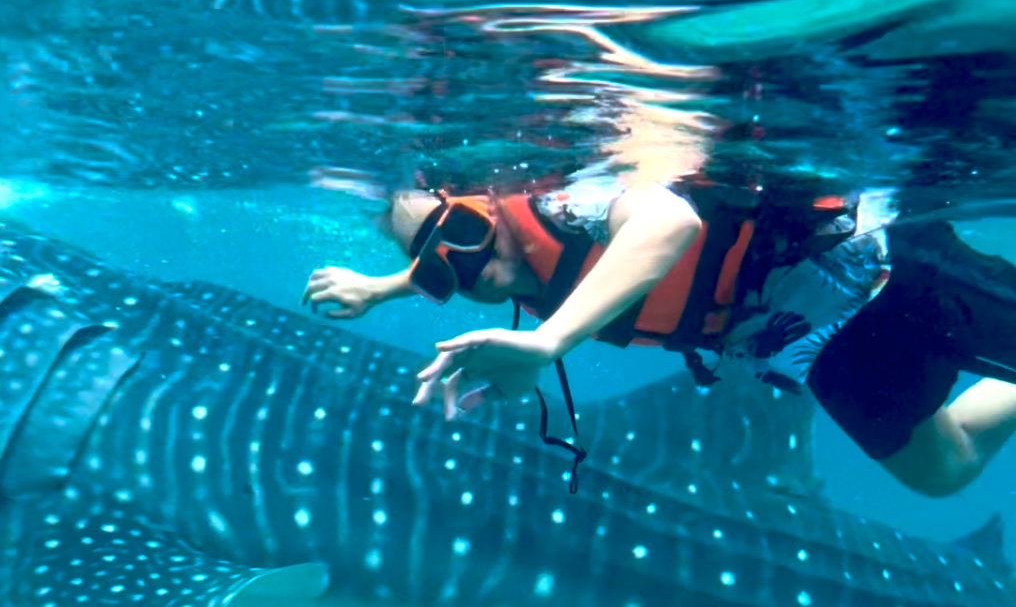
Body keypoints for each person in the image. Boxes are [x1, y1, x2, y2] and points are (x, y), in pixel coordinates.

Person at [303, 174, 1016, 498]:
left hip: (880, 273)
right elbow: (467, 262)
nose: (467, 268)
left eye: (461, 231)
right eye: (437, 270)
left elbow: (669, 224)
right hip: (814, 342)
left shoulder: (572, 198)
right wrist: (381, 287)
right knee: (941, 470)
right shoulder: (492, 263)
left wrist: (550, 342)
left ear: (489, 199)